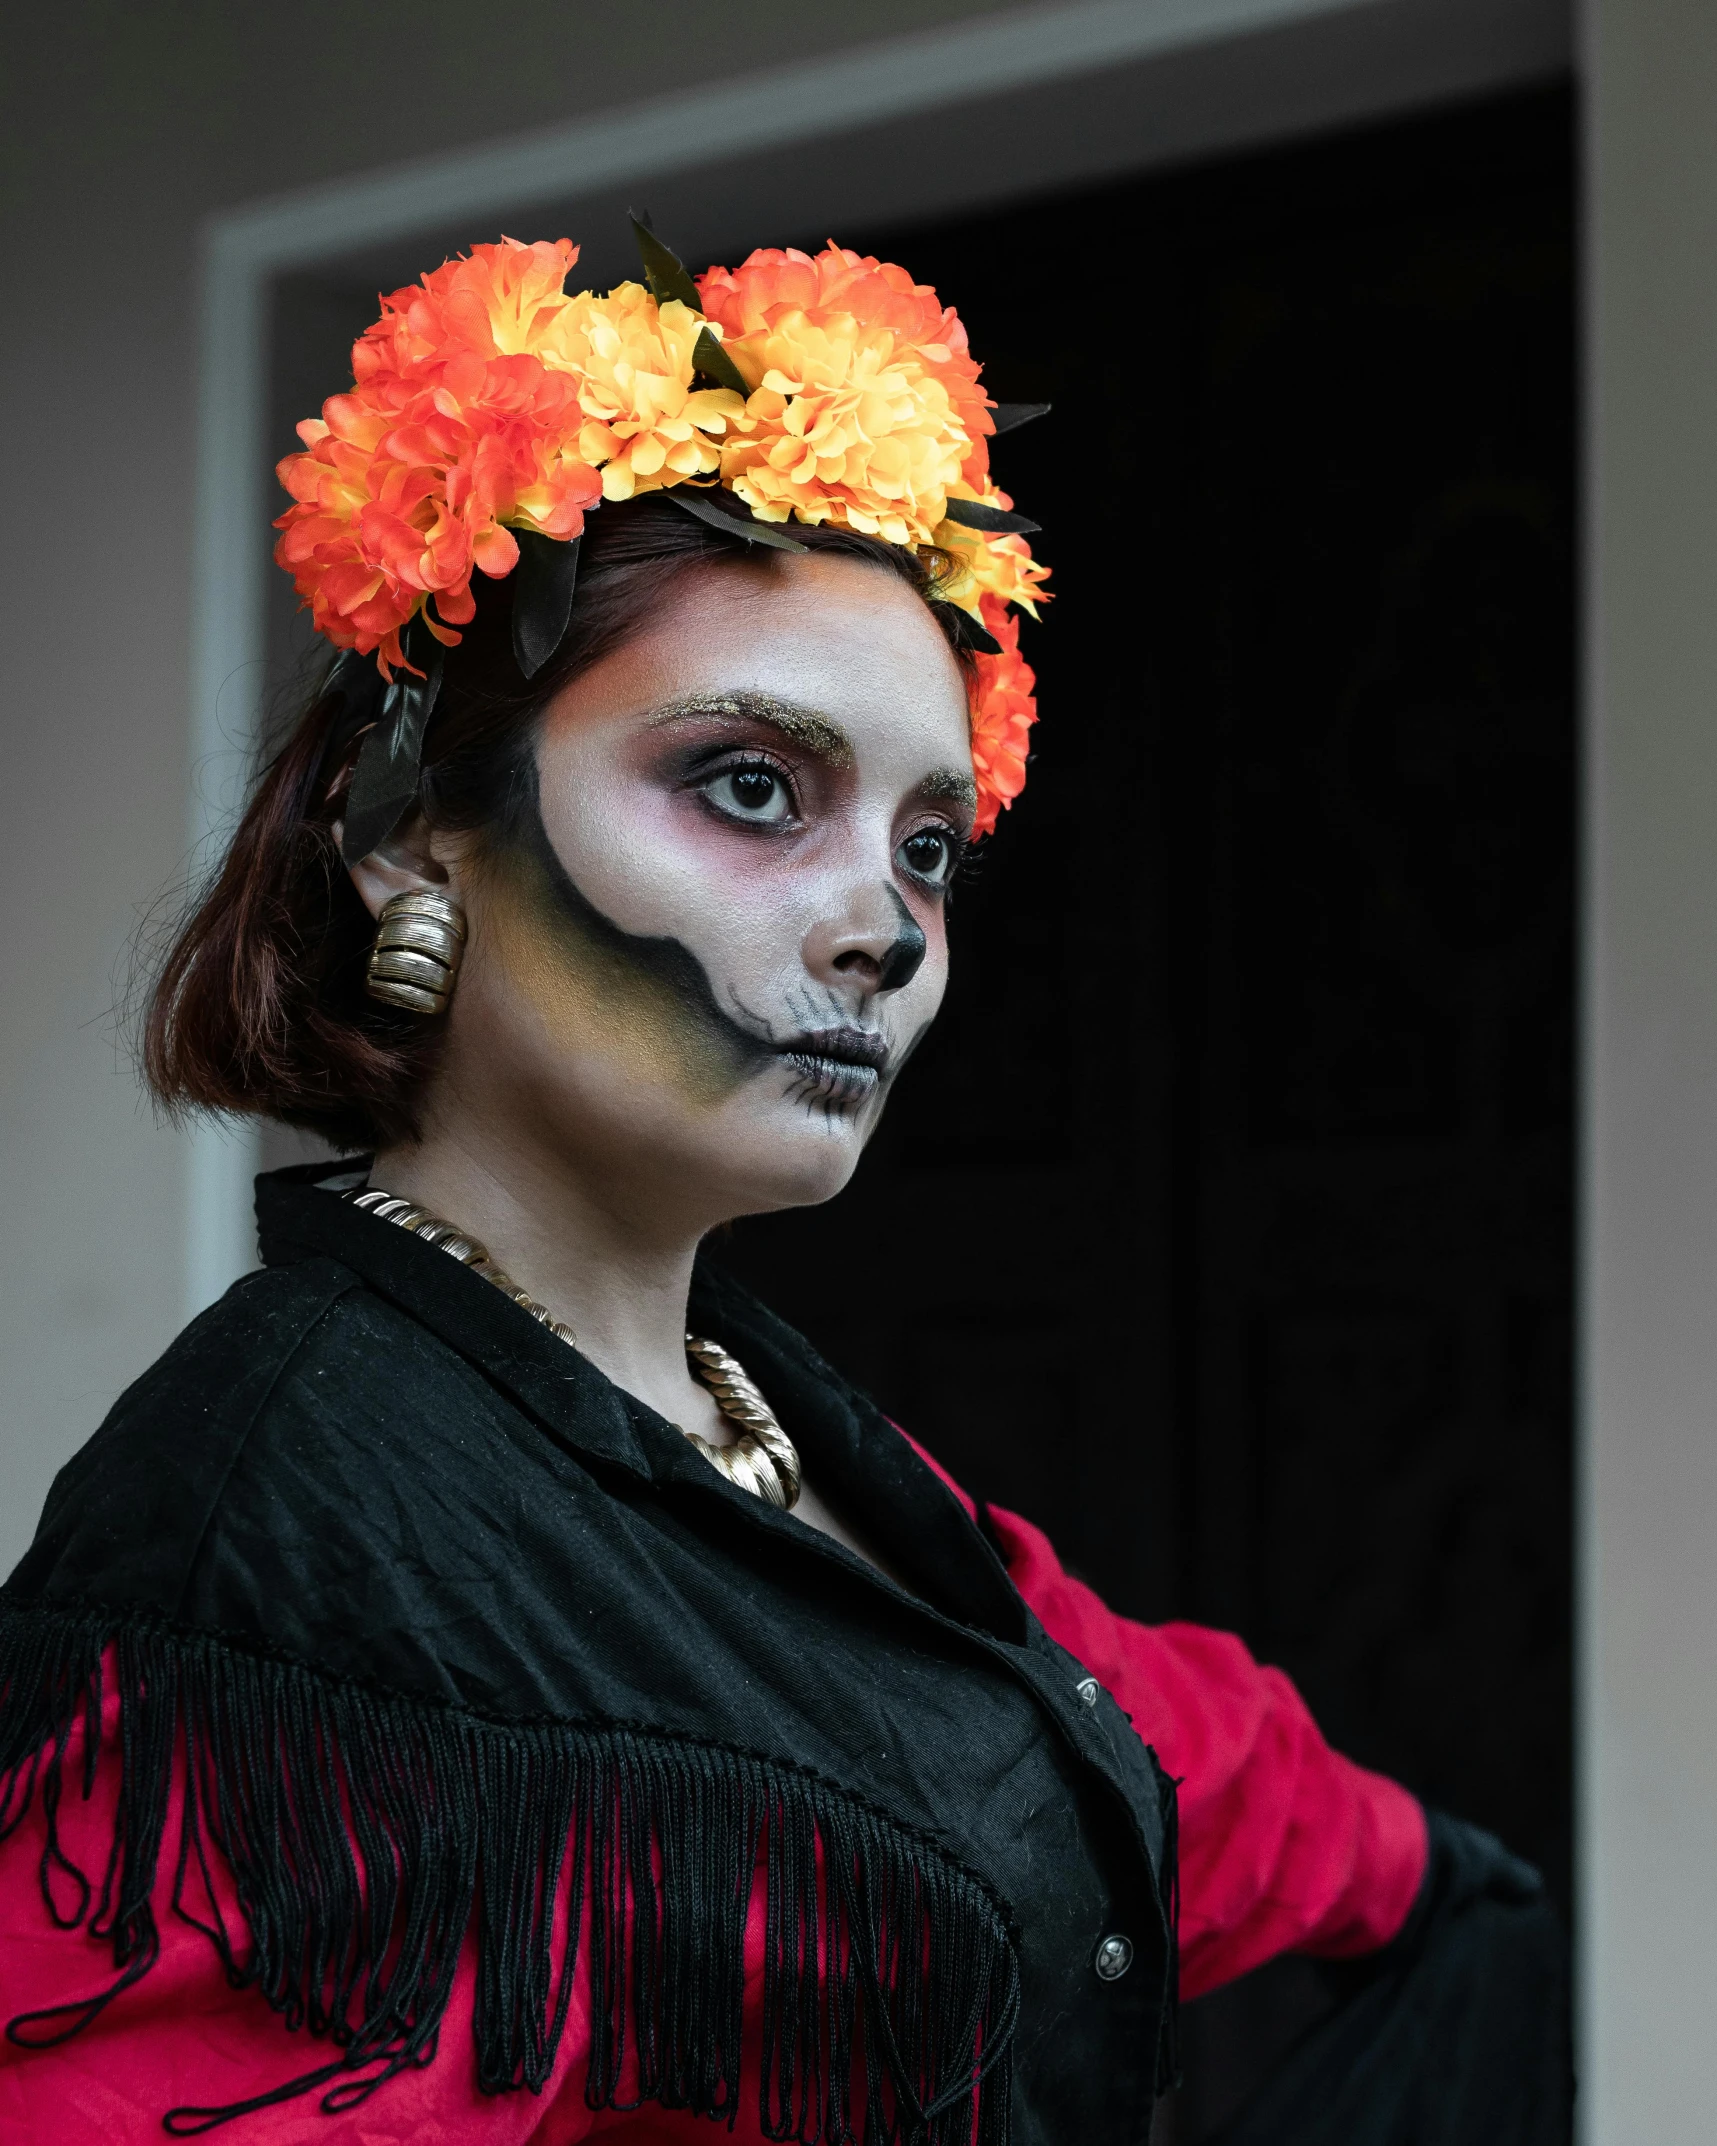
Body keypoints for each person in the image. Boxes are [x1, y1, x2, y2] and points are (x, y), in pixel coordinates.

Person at [0, 230, 1566, 2144]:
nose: (884, 935)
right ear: (411, 842)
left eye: (929, 851)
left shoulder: (781, 1433)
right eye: (751, 786)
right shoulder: (263, 1541)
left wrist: (1437, 1881)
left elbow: (1119, 1731)